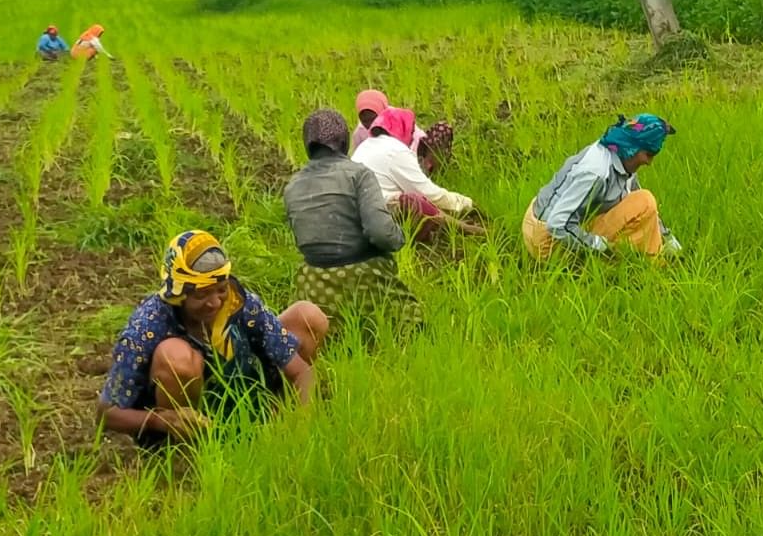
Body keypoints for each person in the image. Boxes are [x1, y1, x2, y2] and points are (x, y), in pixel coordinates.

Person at [98, 230, 327, 445]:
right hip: (188, 421)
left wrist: (299, 424)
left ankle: (270, 421)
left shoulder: (241, 304)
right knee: (175, 356)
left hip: (246, 397)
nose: (216, 303)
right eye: (201, 294)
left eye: (220, 289)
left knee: (306, 316)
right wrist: (164, 420)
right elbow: (106, 414)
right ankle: (187, 449)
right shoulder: (147, 325)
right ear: (179, 294)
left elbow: (302, 371)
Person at [283, 109, 411, 316]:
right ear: (344, 142)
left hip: (312, 286)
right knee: (411, 325)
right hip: (362, 277)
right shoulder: (358, 175)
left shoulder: (292, 186)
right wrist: (400, 238)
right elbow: (381, 232)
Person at [522, 113, 681, 260]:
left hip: (559, 222)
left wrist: (667, 238)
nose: (649, 162)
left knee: (642, 202)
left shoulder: (622, 158)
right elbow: (557, 224)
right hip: (545, 240)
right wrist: (602, 246)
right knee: (644, 204)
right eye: (649, 155)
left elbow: (638, 201)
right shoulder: (596, 171)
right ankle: (644, 265)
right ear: (633, 148)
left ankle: (648, 257)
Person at [353, 108, 485, 241]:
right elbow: (428, 193)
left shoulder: (366, 146)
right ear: (401, 128)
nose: (411, 139)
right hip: (375, 214)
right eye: (411, 132)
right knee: (415, 202)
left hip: (354, 213)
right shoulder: (396, 151)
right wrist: (466, 203)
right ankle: (468, 230)